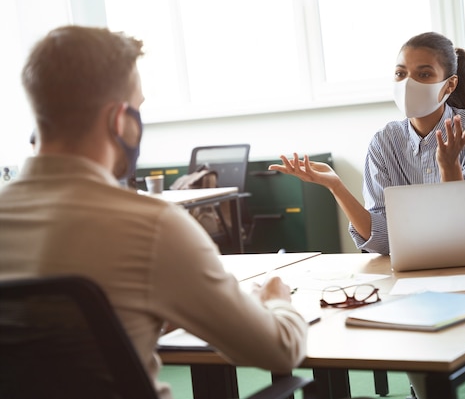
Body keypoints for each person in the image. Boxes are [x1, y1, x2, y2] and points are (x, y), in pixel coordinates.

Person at [0, 25, 307, 399]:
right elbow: (278, 350)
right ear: (119, 119)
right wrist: (278, 300)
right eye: (140, 107)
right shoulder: (153, 226)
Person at [269, 32, 465, 399]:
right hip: (429, 275)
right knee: (414, 335)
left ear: (449, 85)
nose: (408, 83)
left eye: (424, 74)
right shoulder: (384, 142)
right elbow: (384, 241)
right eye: (400, 74)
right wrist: (336, 186)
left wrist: (449, 168)